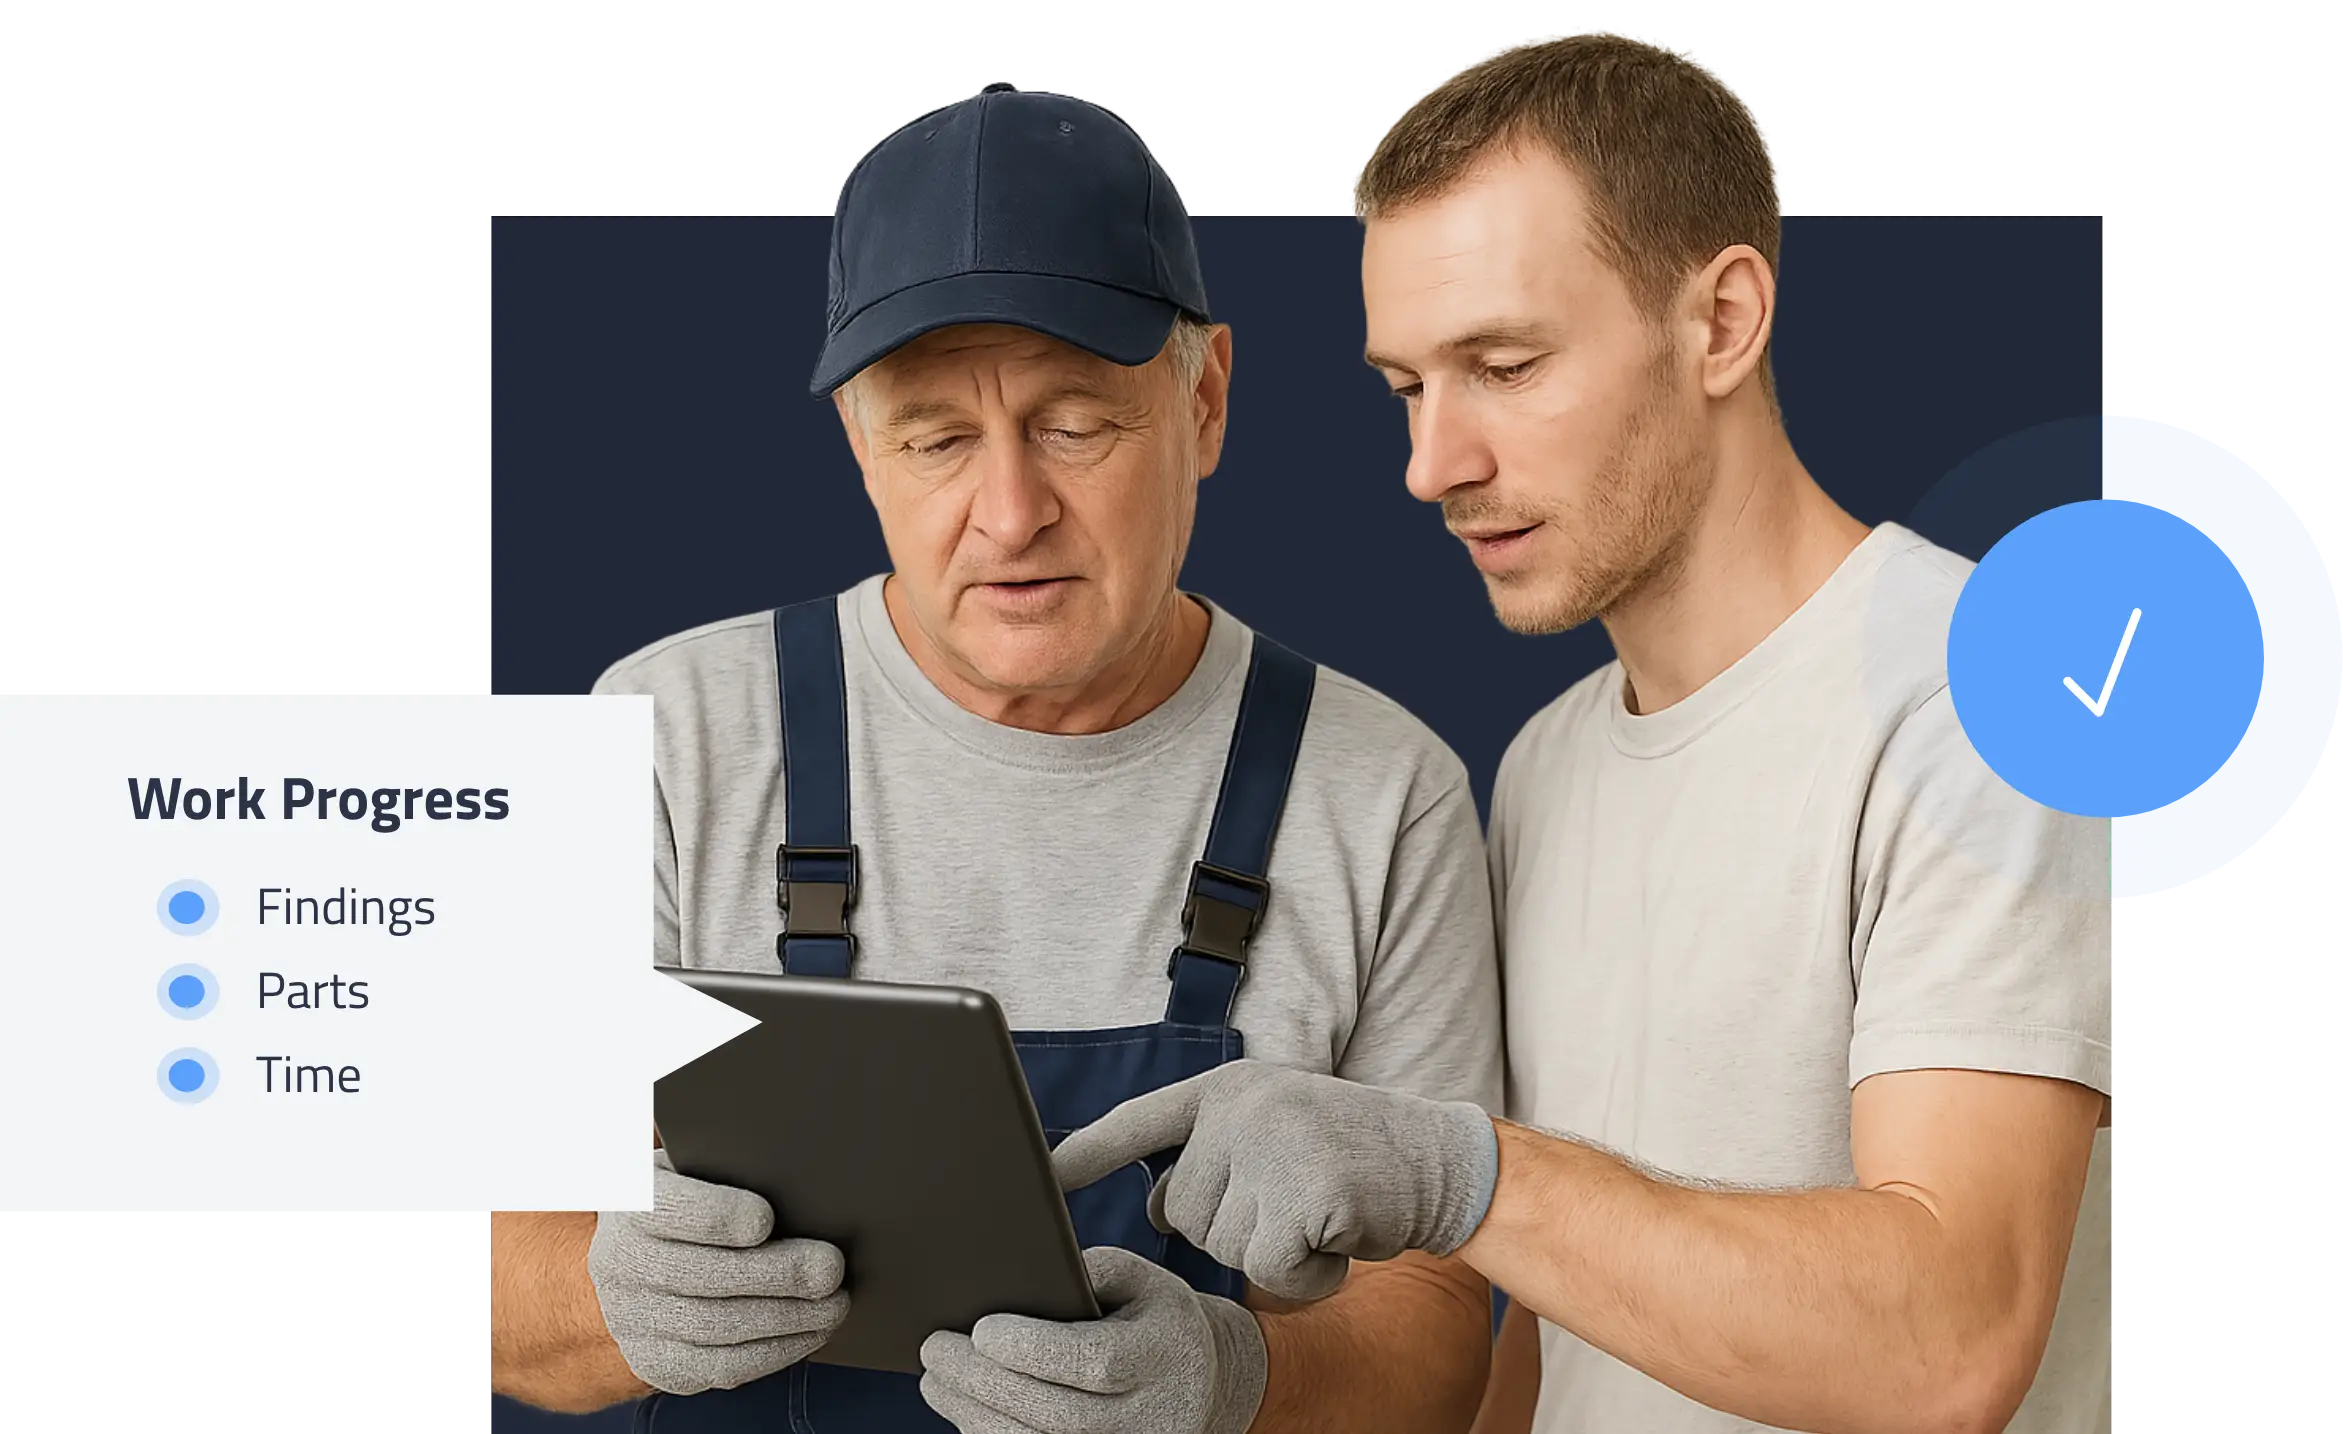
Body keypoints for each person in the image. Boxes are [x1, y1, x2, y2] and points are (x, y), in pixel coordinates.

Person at [1053, 31, 2113, 1434]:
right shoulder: (1543, 765)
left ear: (1722, 321)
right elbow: (1568, 1331)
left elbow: (1947, 1341)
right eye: (1406, 388)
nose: (1433, 465)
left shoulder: (1986, 711)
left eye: (1502, 362)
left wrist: (1466, 1173)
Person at [486, 83, 1506, 1434]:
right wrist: (610, 1297)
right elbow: (499, 1284)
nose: (1010, 513)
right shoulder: (663, 734)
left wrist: (1234, 1379)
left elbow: (1436, 1344)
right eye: (937, 437)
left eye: (1074, 421)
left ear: (1202, 401)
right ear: (860, 443)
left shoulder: (1382, 795)